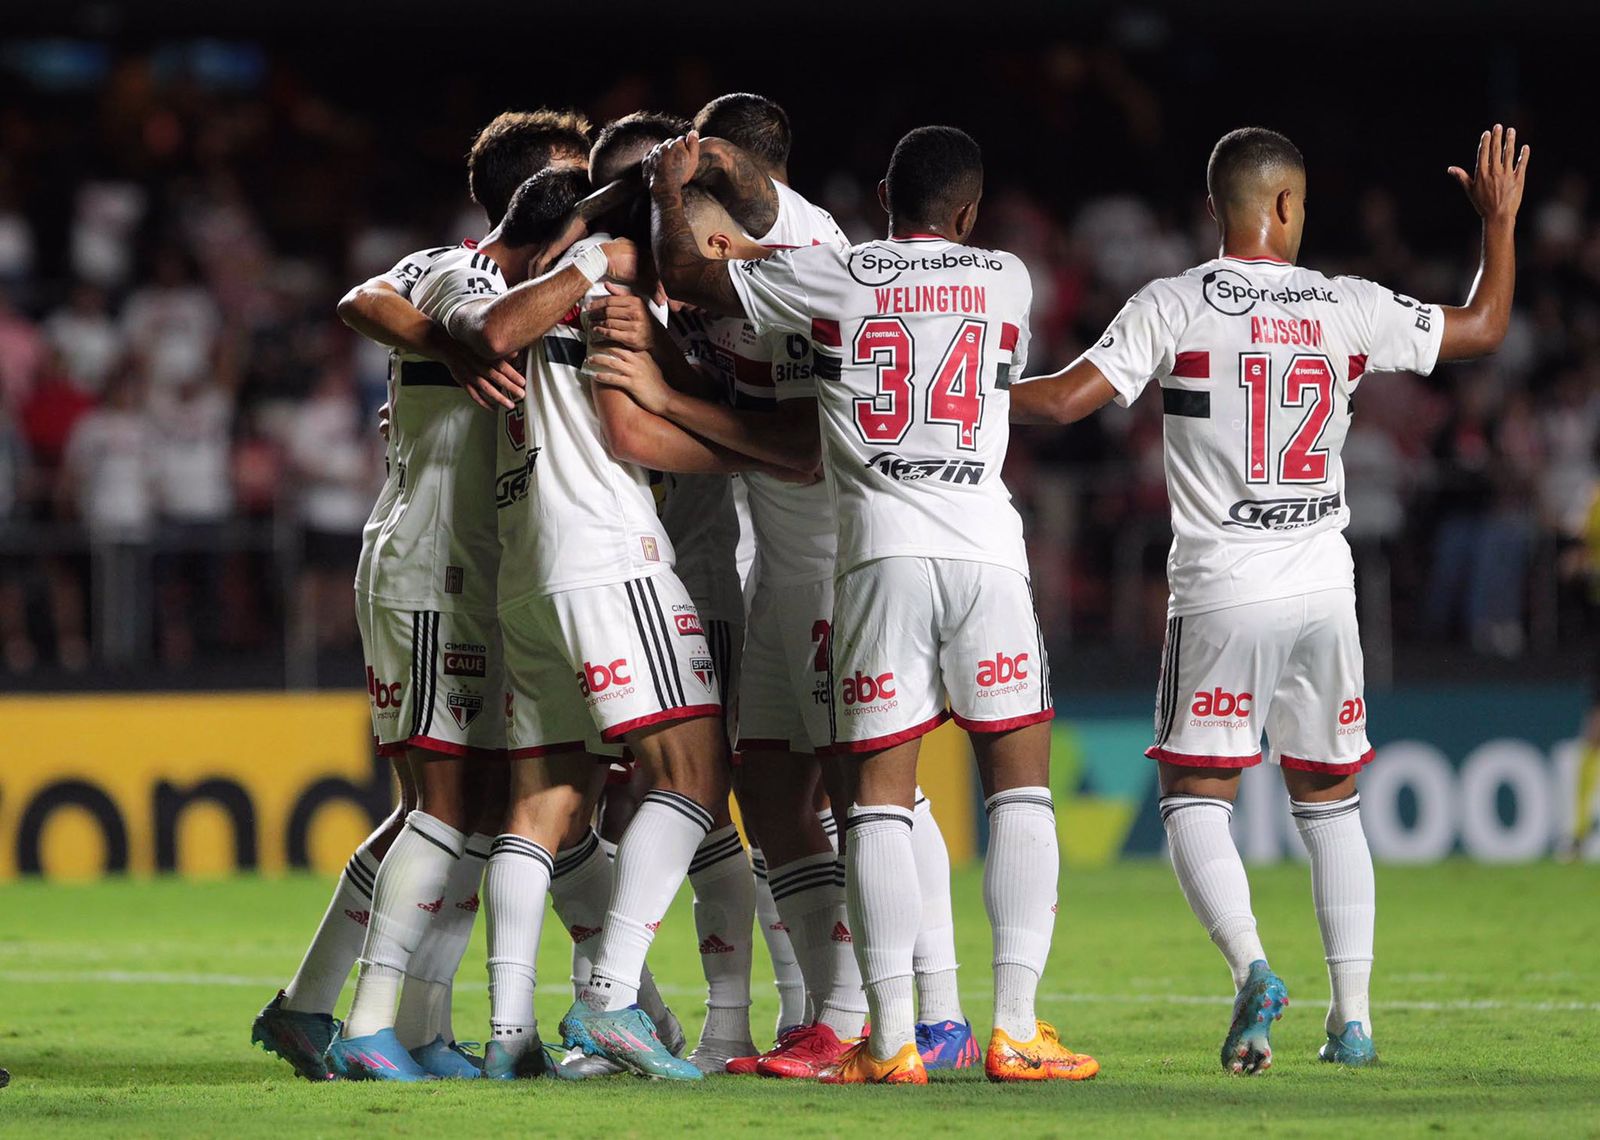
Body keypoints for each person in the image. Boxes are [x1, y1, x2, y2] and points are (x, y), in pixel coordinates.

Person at [1008, 124, 1529, 1072]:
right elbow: (1485, 325)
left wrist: (964, 386)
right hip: (1325, 586)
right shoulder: (1345, 303)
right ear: (1287, 204)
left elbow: (1063, 401)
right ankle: (1353, 1022)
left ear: (1217, 208)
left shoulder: (1173, 302)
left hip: (1223, 586)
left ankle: (1253, 967)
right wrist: (1497, 221)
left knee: (1192, 798)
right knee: (1330, 801)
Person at [646, 124, 1097, 1085]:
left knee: (878, 804)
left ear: (885, 196)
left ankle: (891, 1039)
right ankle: (1015, 1029)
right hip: (985, 552)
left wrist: (678, 190)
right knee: (1018, 790)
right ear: (969, 214)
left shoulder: (836, 274)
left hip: (876, 558)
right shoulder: (1008, 277)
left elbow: (684, 275)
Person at [252, 109, 595, 1082]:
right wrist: (453, 344)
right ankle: (349, 1019)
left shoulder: (509, 290)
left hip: (478, 572)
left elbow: (376, 300)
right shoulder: (466, 275)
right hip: (431, 569)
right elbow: (364, 299)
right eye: (574, 182)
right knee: (443, 805)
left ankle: (396, 1022)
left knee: (469, 810)